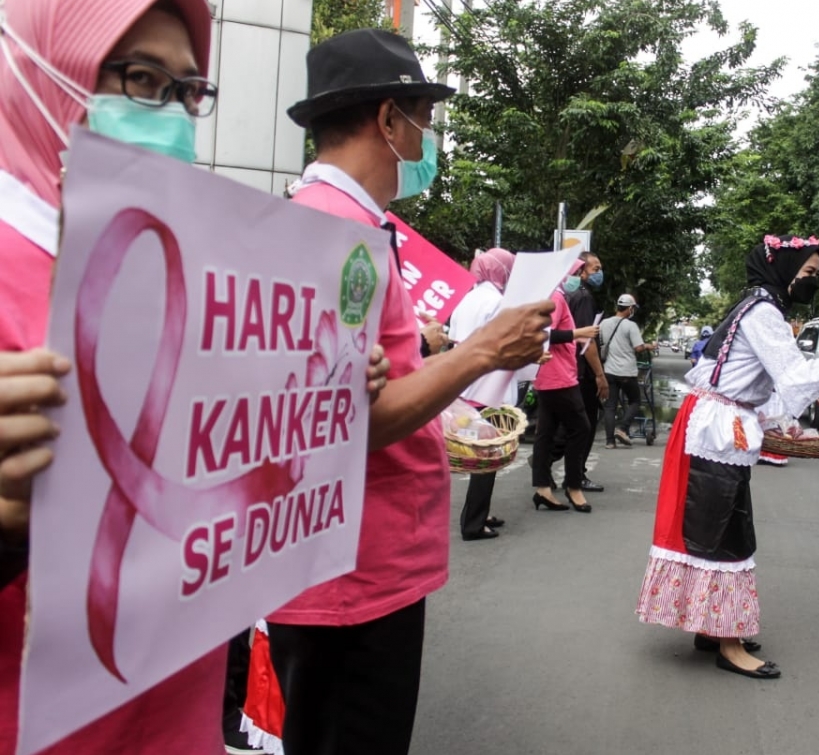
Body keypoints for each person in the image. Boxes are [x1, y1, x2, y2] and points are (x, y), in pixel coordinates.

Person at [265, 29, 552, 755]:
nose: (427, 137)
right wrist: (481, 351)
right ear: (390, 121)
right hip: (351, 577)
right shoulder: (337, 232)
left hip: (351, 566)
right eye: (422, 117)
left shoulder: (348, 224)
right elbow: (356, 420)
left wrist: (424, 348)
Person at [0, 2, 228, 751]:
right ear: (44, 71)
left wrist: (320, 388)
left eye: (189, 91)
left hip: (176, 709)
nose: (171, 115)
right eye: (139, 78)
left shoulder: (194, 259)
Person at [635, 234, 819, 679]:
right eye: (808, 273)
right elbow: (796, 377)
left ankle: (712, 626)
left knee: (714, 523)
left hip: (717, 427)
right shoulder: (763, 312)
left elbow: (756, 380)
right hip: (717, 431)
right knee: (726, 531)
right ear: (784, 271)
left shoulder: (758, 306)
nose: (812, 282)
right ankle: (728, 642)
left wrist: (773, 420)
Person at [448, 247, 519, 541]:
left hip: (466, 383)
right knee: (488, 456)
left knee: (481, 454)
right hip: (488, 384)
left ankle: (478, 513)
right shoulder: (497, 302)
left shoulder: (468, 299)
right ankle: (474, 524)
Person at [530, 259, 599, 512]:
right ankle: (573, 486)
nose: (576, 276)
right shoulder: (556, 298)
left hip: (549, 374)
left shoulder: (551, 296)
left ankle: (543, 488)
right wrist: (578, 333)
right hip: (558, 375)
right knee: (580, 427)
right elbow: (545, 334)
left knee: (545, 432)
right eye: (573, 272)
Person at [548, 251, 609, 492]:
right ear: (581, 271)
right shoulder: (583, 297)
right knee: (584, 425)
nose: (599, 273)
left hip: (564, 367)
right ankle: (575, 475)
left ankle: (545, 462)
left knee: (563, 422)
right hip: (581, 370)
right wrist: (600, 374)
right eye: (595, 268)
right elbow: (587, 340)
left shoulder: (568, 296)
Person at [600, 294, 655, 448]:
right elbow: (638, 347)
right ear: (630, 308)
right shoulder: (630, 326)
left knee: (610, 406)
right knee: (635, 401)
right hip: (626, 372)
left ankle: (610, 442)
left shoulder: (604, 323)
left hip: (609, 370)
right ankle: (623, 428)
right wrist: (649, 346)